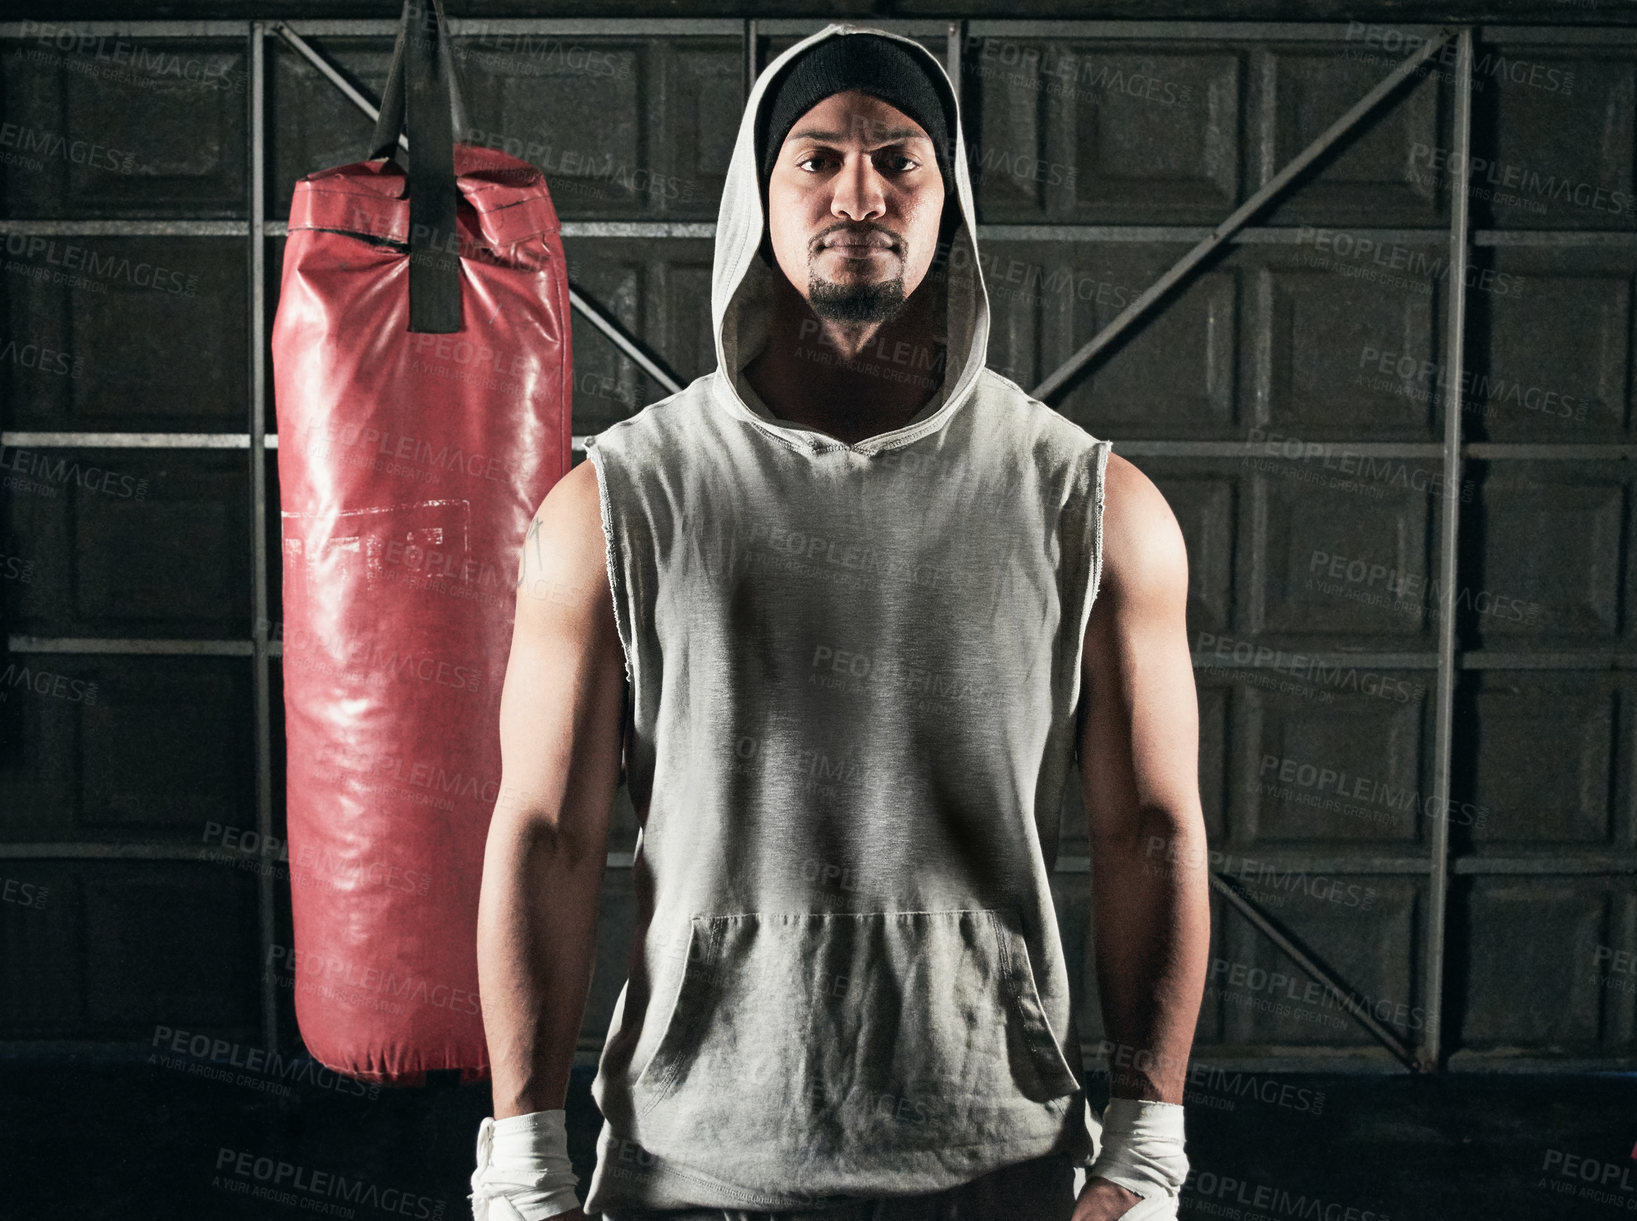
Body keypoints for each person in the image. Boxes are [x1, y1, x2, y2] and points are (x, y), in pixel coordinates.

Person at [469, 22, 1210, 1221]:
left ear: (948, 200)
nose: (857, 192)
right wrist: (520, 1160)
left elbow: (1153, 834)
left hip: (997, 1167)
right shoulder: (617, 502)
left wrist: (1147, 1147)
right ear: (756, 202)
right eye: (814, 159)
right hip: (687, 1170)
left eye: (896, 159)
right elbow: (547, 835)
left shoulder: (1091, 503)